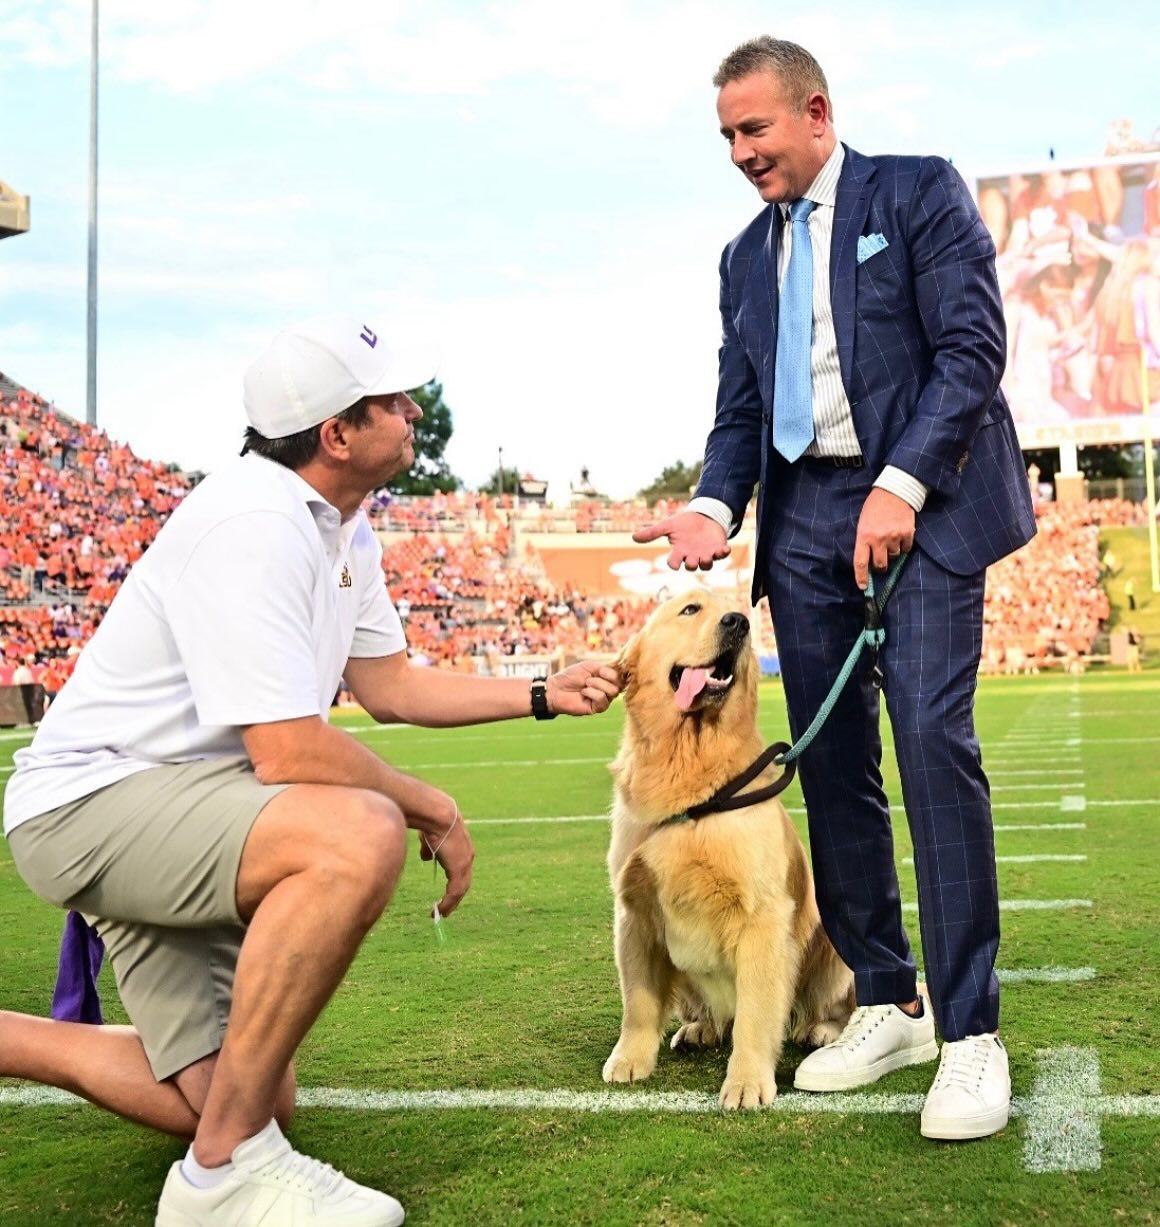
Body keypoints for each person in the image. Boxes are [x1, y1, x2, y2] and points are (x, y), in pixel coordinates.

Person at [1, 314, 621, 1227]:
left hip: (167, 801)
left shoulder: (341, 528)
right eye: (393, 401)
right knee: (359, 831)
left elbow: (389, 684)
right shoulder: (254, 520)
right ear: (336, 434)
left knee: (249, 1093)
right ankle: (218, 1180)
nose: (414, 413)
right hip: (92, 806)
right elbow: (288, 750)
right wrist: (430, 805)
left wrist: (540, 691)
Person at [634, 38, 1036, 1141]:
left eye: (753, 128)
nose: (739, 151)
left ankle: (970, 1031)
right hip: (803, 517)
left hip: (924, 501)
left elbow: (971, 349)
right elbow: (738, 414)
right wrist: (710, 507)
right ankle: (889, 998)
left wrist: (901, 482)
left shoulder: (915, 191)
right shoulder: (739, 260)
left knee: (930, 743)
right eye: (725, 135)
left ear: (815, 112)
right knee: (833, 768)